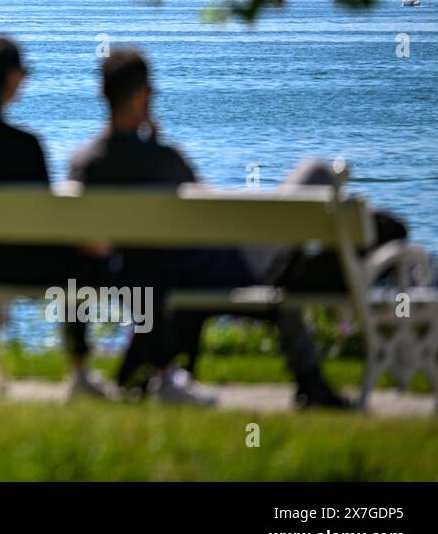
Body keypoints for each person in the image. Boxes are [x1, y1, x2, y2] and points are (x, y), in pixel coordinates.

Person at [68, 48, 349, 408]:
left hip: (150, 272)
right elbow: (213, 208)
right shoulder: (164, 160)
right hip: (231, 266)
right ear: (144, 96)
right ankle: (312, 380)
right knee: (317, 173)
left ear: (102, 95)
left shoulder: (84, 164)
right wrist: (154, 142)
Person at [0, 36, 114, 400]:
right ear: (10, 78)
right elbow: (46, 224)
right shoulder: (26, 145)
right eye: (22, 73)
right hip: (26, 267)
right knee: (86, 266)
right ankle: (80, 372)